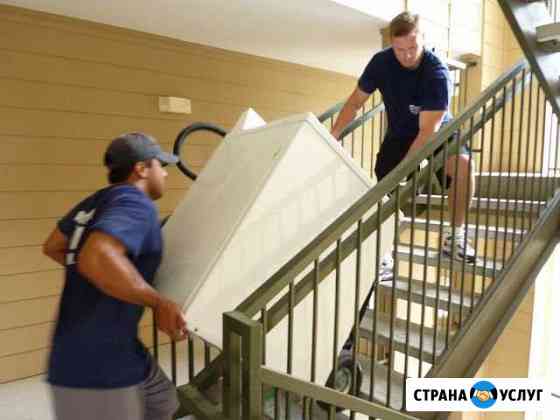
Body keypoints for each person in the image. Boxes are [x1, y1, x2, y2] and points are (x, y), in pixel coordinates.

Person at [42, 132, 187, 420]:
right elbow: (95, 258)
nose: (166, 175)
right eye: (162, 165)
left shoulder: (97, 201)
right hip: (101, 367)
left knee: (164, 402)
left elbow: (54, 246)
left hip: (91, 350)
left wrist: (98, 275)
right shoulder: (136, 203)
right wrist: (159, 302)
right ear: (142, 169)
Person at [331, 12, 475, 280]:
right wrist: (334, 134)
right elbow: (354, 102)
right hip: (398, 134)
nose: (407, 55)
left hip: (438, 132)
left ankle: (454, 237)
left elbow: (426, 132)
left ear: (423, 40)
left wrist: (406, 170)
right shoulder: (381, 63)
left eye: (413, 48)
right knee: (383, 187)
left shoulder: (437, 73)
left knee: (464, 166)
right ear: (391, 45)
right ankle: (383, 255)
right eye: (399, 49)